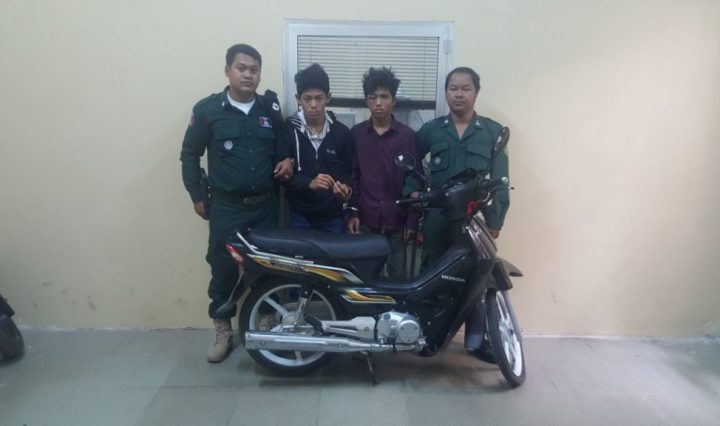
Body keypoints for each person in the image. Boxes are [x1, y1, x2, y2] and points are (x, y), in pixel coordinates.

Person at [180, 43, 293, 363]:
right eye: (241, 68)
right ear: (228, 70)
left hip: (266, 206)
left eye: (254, 69)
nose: (248, 75)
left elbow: (284, 145)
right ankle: (223, 331)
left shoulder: (269, 109)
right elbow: (189, 155)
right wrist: (197, 196)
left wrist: (287, 159)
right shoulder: (208, 111)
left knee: (270, 267)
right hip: (227, 207)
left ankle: (267, 324)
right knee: (223, 268)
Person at [407, 67, 510, 269]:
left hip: (473, 218)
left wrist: (495, 220)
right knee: (432, 271)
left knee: (471, 273)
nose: (459, 94)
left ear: (476, 92)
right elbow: (411, 164)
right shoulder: (431, 130)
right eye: (453, 88)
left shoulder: (492, 132)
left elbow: (501, 179)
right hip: (437, 217)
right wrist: (412, 192)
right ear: (446, 92)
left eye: (465, 89)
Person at [347, 67, 421, 278]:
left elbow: (415, 179)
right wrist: (352, 212)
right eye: (373, 97)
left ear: (393, 101)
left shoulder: (407, 137)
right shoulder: (356, 135)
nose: (378, 103)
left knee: (398, 279)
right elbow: (352, 176)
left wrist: (412, 221)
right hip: (364, 219)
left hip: (397, 220)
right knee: (364, 278)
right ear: (366, 101)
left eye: (384, 97)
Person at [283, 63, 352, 233]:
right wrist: (309, 183)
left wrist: (345, 189)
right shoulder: (288, 130)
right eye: (307, 99)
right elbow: (281, 177)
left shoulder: (342, 132)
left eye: (319, 98)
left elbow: (349, 173)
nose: (313, 104)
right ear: (298, 99)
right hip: (300, 216)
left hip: (334, 217)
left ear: (328, 97)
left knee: (335, 252)